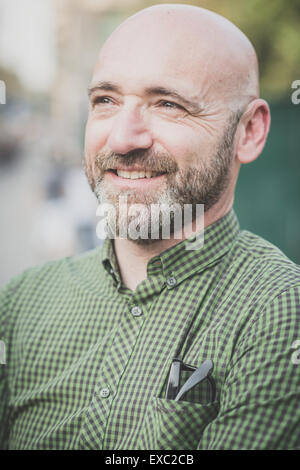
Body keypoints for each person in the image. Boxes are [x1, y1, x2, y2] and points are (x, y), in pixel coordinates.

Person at [0, 4, 299, 450]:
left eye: (168, 104)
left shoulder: (278, 312)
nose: (122, 138)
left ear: (249, 132)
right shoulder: (22, 301)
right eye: (106, 101)